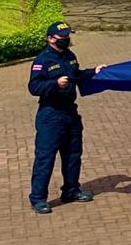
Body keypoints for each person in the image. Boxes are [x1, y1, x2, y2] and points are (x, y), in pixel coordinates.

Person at [28, 22, 105, 213]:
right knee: (45, 158)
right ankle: (38, 198)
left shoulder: (70, 56)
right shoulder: (42, 61)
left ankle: (71, 190)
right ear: (51, 39)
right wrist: (55, 84)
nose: (66, 40)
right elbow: (34, 87)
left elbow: (76, 75)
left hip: (70, 113)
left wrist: (93, 72)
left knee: (73, 155)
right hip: (51, 115)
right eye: (63, 37)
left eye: (67, 36)